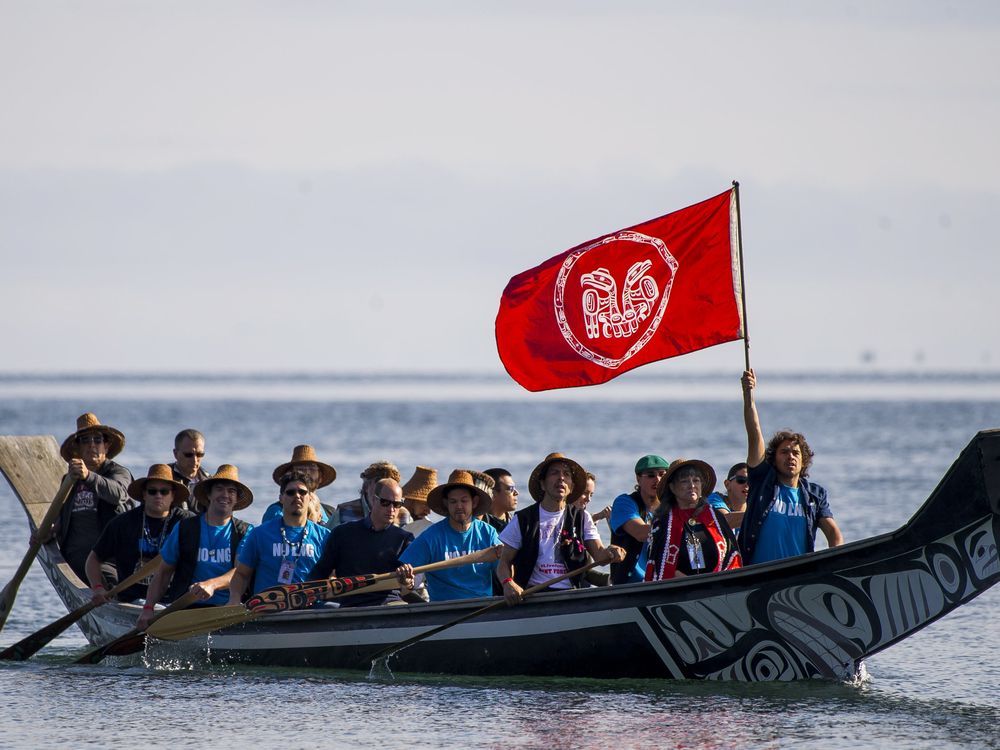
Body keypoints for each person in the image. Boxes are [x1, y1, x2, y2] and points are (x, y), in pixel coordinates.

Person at [739, 369, 845, 564]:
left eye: (796, 453)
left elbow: (833, 533)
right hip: (755, 575)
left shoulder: (815, 495)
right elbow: (754, 432)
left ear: (804, 460)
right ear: (773, 458)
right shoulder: (762, 480)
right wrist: (748, 396)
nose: (791, 457)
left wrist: (835, 566)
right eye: (784, 452)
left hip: (795, 579)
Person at [496, 453, 624, 605]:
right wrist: (508, 583)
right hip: (532, 597)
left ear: (572, 487)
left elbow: (601, 557)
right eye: (554, 473)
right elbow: (503, 563)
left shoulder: (583, 518)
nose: (561, 478)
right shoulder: (523, 519)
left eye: (566, 474)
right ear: (542, 484)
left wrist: (614, 551)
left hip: (572, 596)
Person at [137, 464, 253, 627]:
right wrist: (148, 608)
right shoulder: (185, 528)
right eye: (219, 489)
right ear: (209, 494)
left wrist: (211, 584)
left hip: (225, 609)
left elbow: (240, 572)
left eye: (231, 491)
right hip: (185, 608)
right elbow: (163, 573)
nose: (225, 495)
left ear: (236, 498)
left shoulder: (246, 531)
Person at [85, 464, 194, 604]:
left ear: (173, 495)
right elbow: (93, 559)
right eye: (152, 491)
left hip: (174, 601)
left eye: (164, 491)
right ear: (144, 494)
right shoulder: (123, 523)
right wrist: (98, 588)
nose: (158, 496)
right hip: (133, 600)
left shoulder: (188, 523)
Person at [50, 413, 134, 583]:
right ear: (78, 448)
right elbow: (63, 516)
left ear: (107, 446)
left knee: (109, 583)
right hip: (73, 562)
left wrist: (89, 476)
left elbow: (117, 494)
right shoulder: (69, 479)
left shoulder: (118, 473)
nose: (92, 445)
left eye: (97, 440)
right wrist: (49, 531)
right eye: (85, 440)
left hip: (108, 561)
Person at [309, 478, 413, 607]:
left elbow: (408, 588)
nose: (391, 509)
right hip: (352, 606)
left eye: (397, 504)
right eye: (385, 502)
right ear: (374, 500)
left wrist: (407, 582)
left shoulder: (404, 539)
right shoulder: (342, 534)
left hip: (390, 604)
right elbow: (319, 573)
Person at [399, 470, 501, 601]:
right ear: (446, 504)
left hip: (481, 606)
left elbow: (503, 569)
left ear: (474, 502)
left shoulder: (488, 533)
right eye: (453, 502)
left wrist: (508, 580)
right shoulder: (431, 536)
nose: (459, 506)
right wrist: (406, 581)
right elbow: (406, 582)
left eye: (464, 501)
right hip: (445, 609)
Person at [228, 472, 331, 601]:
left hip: (311, 608)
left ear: (310, 498)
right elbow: (242, 574)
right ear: (281, 498)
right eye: (290, 492)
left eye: (302, 492)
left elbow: (333, 577)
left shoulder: (324, 536)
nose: (297, 496)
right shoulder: (259, 534)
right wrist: (234, 599)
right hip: (269, 608)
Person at [644, 459, 742, 580]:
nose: (692, 486)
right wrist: (695, 584)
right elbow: (659, 565)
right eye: (684, 481)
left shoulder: (715, 517)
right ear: (672, 488)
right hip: (678, 589)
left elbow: (731, 556)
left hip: (718, 587)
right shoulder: (662, 522)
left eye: (696, 480)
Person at [609, 455, 669, 585]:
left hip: (662, 581)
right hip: (629, 585)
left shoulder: (670, 507)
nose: (657, 479)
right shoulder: (624, 502)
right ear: (638, 479)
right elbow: (641, 533)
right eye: (651, 475)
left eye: (662, 474)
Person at [262, 445, 338, 526]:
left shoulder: (331, 512)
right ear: (290, 475)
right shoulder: (276, 511)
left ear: (320, 477)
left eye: (312, 469)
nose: (307, 473)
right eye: (301, 469)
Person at [336, 460, 400, 526]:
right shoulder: (344, 511)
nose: (384, 490)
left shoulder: (403, 515)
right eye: (379, 483)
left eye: (390, 486)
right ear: (366, 487)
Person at [706, 462, 750, 535]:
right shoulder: (714, 499)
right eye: (741, 480)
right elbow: (725, 521)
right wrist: (758, 516)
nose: (747, 485)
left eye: (751, 481)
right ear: (727, 484)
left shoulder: (757, 506)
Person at [170, 429, 208, 510]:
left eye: (199, 454)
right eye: (188, 454)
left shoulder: (209, 482)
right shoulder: (163, 478)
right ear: (175, 454)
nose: (194, 460)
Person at [401, 465, 438, 538]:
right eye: (425, 504)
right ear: (411, 501)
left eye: (430, 506)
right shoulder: (389, 520)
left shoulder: (429, 529)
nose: (428, 512)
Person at [483, 467, 518, 532]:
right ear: (492, 493)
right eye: (510, 489)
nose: (516, 493)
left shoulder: (518, 523)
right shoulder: (477, 525)